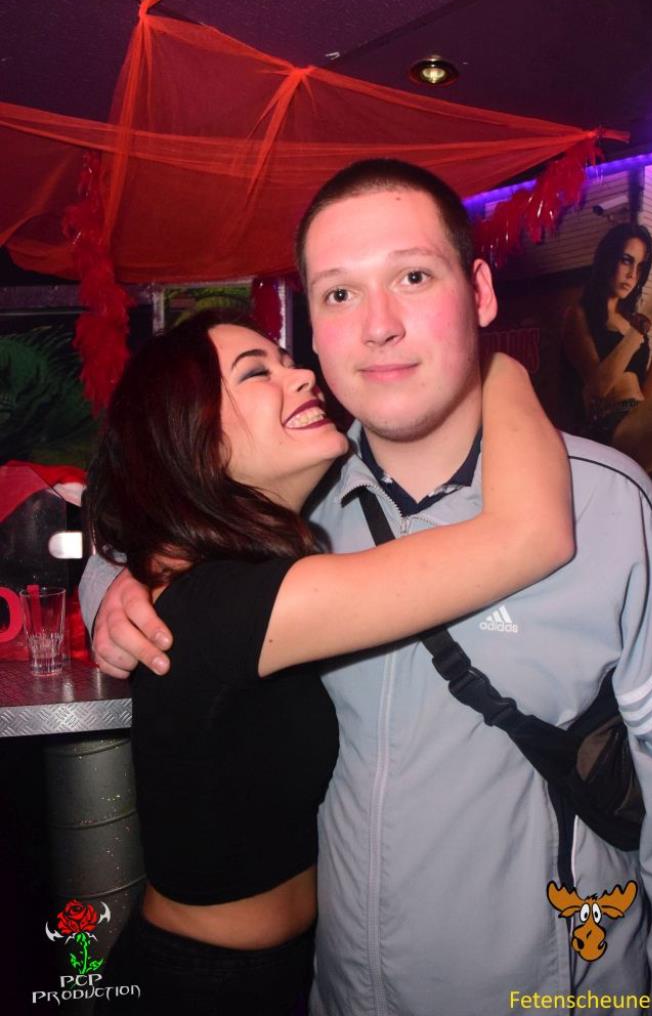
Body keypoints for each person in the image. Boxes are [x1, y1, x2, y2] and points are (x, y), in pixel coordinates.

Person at [81, 160, 652, 1016]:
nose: (378, 327)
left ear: (479, 292)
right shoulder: (294, 514)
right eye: (339, 294)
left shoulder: (607, 506)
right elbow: (158, 526)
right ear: (315, 331)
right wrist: (116, 581)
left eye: (412, 277)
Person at [83, 305, 572, 1016]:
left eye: (289, 361)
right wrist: (495, 366)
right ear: (195, 438)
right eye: (257, 373)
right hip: (201, 988)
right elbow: (531, 535)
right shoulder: (224, 603)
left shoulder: (226, 576)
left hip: (282, 971)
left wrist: (112, 581)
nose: (303, 376)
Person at [563, 222, 652, 488]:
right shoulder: (579, 315)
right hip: (609, 429)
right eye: (626, 261)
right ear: (608, 259)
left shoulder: (630, 322)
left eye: (640, 267)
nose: (632, 275)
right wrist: (647, 316)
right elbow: (597, 389)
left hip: (640, 423)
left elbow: (649, 397)